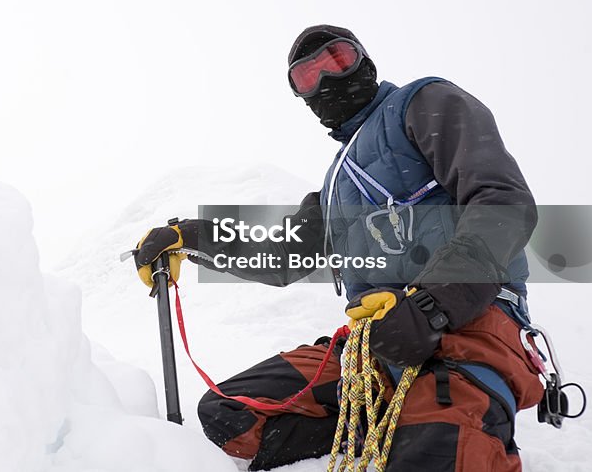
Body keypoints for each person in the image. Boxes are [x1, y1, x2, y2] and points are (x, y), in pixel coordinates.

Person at [133, 25, 545, 471]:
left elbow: (502, 203)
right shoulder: (335, 185)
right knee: (229, 413)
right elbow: (284, 256)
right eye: (308, 77)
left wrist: (432, 304)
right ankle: (383, 428)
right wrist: (191, 236)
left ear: (364, 61)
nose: (327, 82)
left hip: (468, 323)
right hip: (374, 346)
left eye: (337, 61)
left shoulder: (423, 103)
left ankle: (428, 429)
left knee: (437, 452)